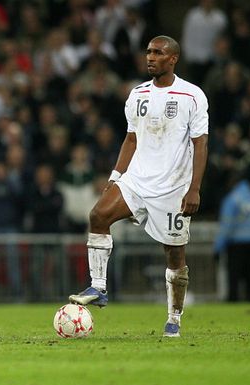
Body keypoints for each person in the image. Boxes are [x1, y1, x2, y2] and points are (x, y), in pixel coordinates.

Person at [69, 36, 209, 338]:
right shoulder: (137, 94)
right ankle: (99, 287)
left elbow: (201, 144)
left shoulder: (192, 95)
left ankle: (174, 317)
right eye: (148, 52)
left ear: (173, 59)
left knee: (174, 256)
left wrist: (194, 188)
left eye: (158, 53)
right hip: (138, 181)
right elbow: (131, 139)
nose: (150, 57)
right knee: (98, 215)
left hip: (173, 187)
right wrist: (116, 177)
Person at [213, 164, 250, 301]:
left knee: (234, 279)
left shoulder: (234, 197)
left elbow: (226, 224)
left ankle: (233, 302)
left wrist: (218, 247)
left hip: (236, 244)